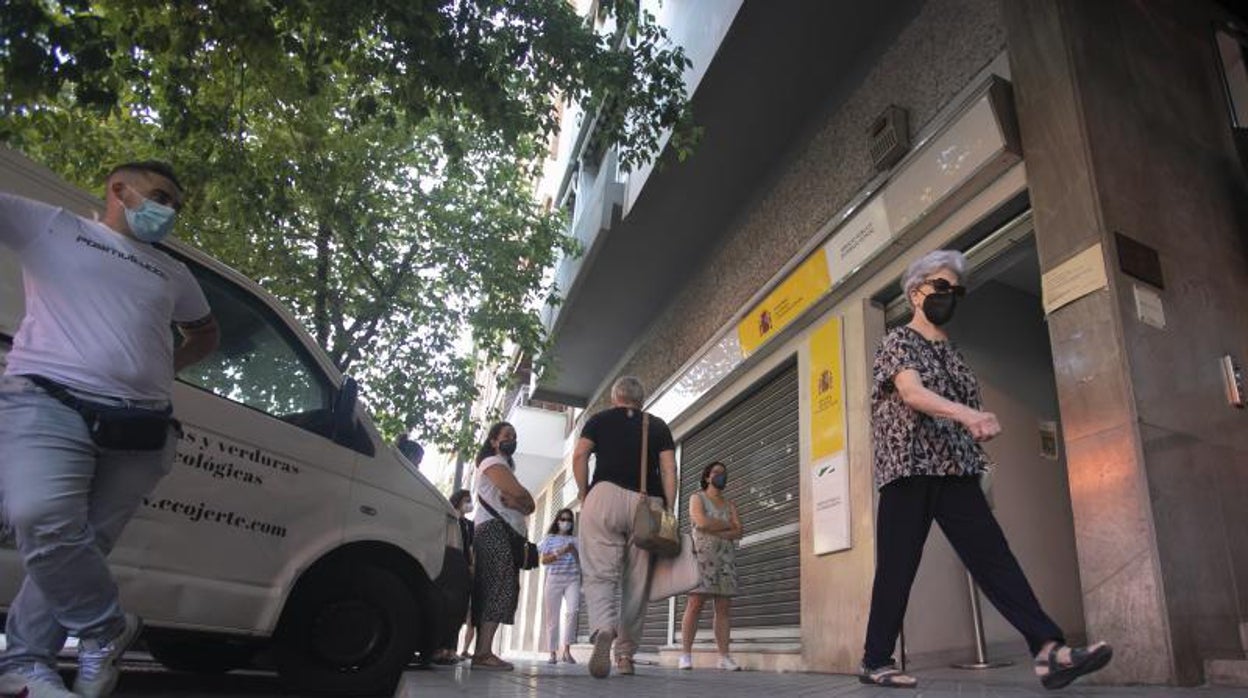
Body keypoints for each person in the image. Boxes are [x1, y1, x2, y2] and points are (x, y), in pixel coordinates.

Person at [0, 162, 219, 698]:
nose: (168, 211)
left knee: (84, 546)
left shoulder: (173, 272)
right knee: (42, 518)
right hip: (50, 403)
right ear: (120, 189)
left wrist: (159, 367)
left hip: (141, 428)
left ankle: (26, 664)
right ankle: (106, 627)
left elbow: (206, 333)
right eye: (161, 196)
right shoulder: (52, 226)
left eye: (175, 205)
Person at [858, 250, 1112, 689]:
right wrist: (967, 415)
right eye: (941, 286)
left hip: (955, 470)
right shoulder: (897, 341)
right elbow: (912, 393)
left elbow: (964, 410)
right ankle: (875, 659)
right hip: (909, 468)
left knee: (995, 560)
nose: (949, 296)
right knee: (898, 566)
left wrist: (974, 434)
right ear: (916, 291)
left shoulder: (951, 351)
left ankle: (1049, 651)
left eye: (956, 290)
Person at [573, 376, 676, 679]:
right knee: (637, 582)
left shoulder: (599, 420)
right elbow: (669, 468)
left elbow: (580, 455)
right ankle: (625, 655)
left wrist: (583, 491)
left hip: (603, 495)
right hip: (647, 502)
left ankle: (604, 627)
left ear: (615, 397)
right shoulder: (657, 425)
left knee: (599, 573)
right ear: (641, 400)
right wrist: (668, 508)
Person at [470, 422, 534, 671]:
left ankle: (483, 651)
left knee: (496, 586)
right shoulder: (492, 463)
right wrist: (523, 499)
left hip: (500, 532)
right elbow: (519, 494)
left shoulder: (505, 466)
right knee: (499, 585)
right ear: (494, 441)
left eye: (515, 436)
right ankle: (484, 652)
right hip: (494, 531)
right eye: (507, 435)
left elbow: (530, 506)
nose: (512, 439)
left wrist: (524, 501)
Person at [678, 461, 742, 672]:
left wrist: (716, 528)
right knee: (695, 604)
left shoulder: (730, 504)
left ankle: (724, 656)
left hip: (726, 561)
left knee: (723, 608)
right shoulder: (697, 498)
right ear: (707, 477)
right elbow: (701, 522)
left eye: (723, 473)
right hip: (703, 559)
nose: (720, 476)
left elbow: (739, 531)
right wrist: (726, 526)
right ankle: (685, 655)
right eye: (716, 473)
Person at [431, 489, 473, 665]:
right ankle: (437, 649)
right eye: (466, 500)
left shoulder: (469, 525)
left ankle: (451, 649)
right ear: (457, 501)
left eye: (470, 501)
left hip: (462, 568)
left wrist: (471, 566)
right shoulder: (446, 517)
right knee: (443, 606)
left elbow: (470, 548)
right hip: (446, 563)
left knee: (458, 609)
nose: (469, 504)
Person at [538, 508, 581, 665]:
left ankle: (567, 651)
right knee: (552, 617)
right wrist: (560, 552)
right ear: (557, 521)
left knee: (573, 611)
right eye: (563, 519)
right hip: (554, 579)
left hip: (572, 579)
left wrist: (573, 551)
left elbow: (580, 563)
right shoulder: (549, 538)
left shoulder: (576, 540)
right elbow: (543, 561)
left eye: (569, 520)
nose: (566, 522)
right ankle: (552, 653)